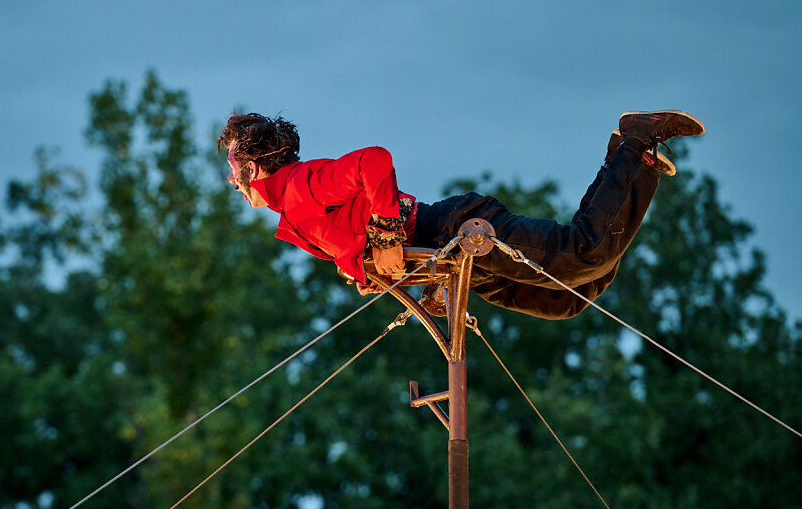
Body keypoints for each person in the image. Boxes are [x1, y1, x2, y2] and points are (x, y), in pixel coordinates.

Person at [217, 110, 704, 319]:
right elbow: (352, 235)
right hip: (446, 263)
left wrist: (386, 236)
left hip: (456, 231)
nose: (234, 184)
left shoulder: (301, 184)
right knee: (571, 298)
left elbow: (374, 161)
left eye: (234, 172)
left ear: (254, 168)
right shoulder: (294, 208)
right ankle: (623, 159)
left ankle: (637, 141)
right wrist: (366, 268)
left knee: (585, 254)